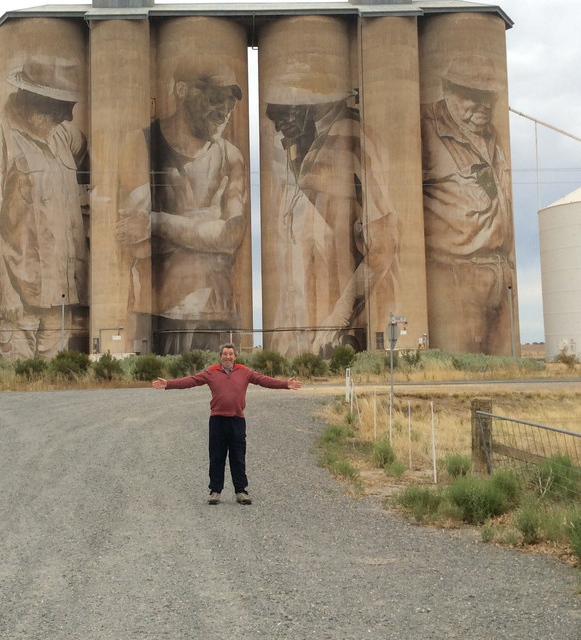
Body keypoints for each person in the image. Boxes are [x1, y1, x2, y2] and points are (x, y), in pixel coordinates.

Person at [263, 72, 400, 357]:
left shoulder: (354, 138)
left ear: (313, 105)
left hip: (348, 327)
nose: (277, 125)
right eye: (274, 115)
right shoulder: (293, 155)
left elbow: (384, 244)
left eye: (284, 112)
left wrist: (341, 313)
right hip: (306, 333)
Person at [117, 60, 248, 355]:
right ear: (181, 90)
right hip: (158, 313)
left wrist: (158, 222)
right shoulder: (141, 144)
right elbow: (137, 243)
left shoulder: (232, 157)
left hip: (218, 314)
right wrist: (207, 221)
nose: (224, 111)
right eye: (215, 99)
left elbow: (231, 235)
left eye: (229, 104)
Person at [421, 53, 515, 354]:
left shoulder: (490, 134)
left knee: (504, 373)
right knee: (460, 369)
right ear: (446, 90)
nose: (484, 105)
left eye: (489, 96)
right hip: (455, 279)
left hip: (500, 275)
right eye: (473, 95)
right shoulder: (424, 128)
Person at [0, 57, 89, 359]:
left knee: (52, 384)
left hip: (62, 295)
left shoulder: (61, 135)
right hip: (21, 299)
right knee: (18, 383)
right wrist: (7, 292)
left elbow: (86, 147)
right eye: (58, 108)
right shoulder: (7, 139)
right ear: (34, 102)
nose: (64, 116)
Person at [152, 344, 302, 504]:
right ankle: (215, 491)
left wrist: (285, 384)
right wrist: (169, 384)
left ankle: (241, 491)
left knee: (238, 457)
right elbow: (191, 381)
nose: (228, 357)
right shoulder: (211, 372)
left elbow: (263, 380)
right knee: (216, 457)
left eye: (231, 354)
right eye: (225, 354)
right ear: (220, 356)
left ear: (235, 357)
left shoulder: (244, 372)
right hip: (217, 420)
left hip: (237, 420)